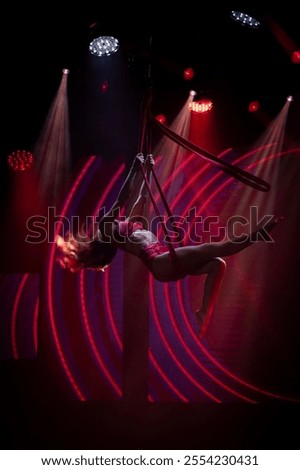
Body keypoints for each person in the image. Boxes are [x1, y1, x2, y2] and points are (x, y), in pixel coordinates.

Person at [56, 153, 282, 336]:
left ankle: (203, 312)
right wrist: (135, 168)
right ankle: (259, 234)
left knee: (218, 264)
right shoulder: (107, 227)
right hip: (161, 261)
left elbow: (141, 199)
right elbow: (121, 199)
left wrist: (147, 171)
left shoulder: (125, 227)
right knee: (217, 248)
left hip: (164, 265)